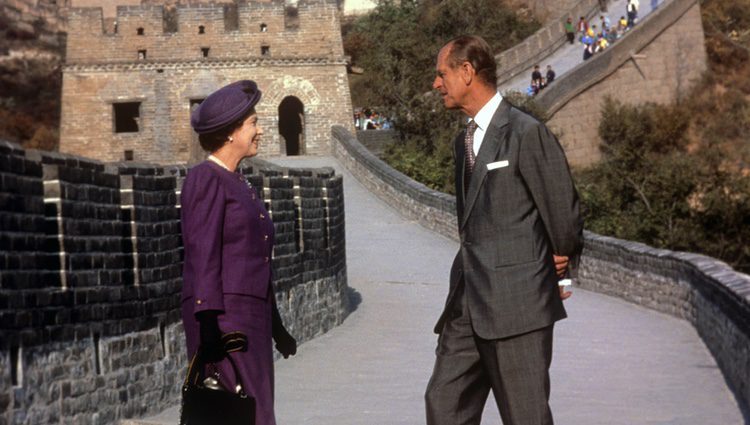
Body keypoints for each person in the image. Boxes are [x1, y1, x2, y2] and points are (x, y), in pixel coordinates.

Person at [426, 35, 583, 425]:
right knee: (444, 405)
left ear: (467, 72)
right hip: (466, 306)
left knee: (525, 416)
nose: (436, 84)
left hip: (518, 306)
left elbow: (562, 209)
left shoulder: (525, 132)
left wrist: (560, 260)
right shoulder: (461, 141)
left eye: (441, 74)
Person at [181, 80, 298, 425]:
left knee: (254, 410)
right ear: (231, 132)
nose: (259, 131)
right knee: (239, 414)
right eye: (253, 124)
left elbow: (255, 260)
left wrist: (276, 326)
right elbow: (202, 253)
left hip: (252, 319)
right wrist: (207, 325)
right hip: (224, 321)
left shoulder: (240, 182)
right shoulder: (206, 178)